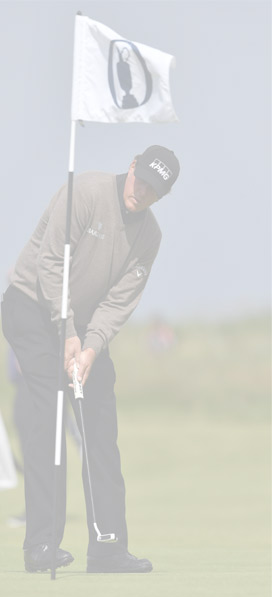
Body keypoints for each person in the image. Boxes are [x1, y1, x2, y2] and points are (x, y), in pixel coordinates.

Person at [1, 145, 180, 573]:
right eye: (142, 181)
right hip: (29, 305)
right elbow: (50, 266)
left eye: (155, 190)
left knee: (100, 423)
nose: (143, 192)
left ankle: (108, 547)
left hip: (81, 327)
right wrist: (66, 332)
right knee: (51, 412)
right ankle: (41, 545)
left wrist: (91, 347)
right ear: (131, 165)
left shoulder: (149, 236)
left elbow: (118, 303)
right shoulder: (86, 191)